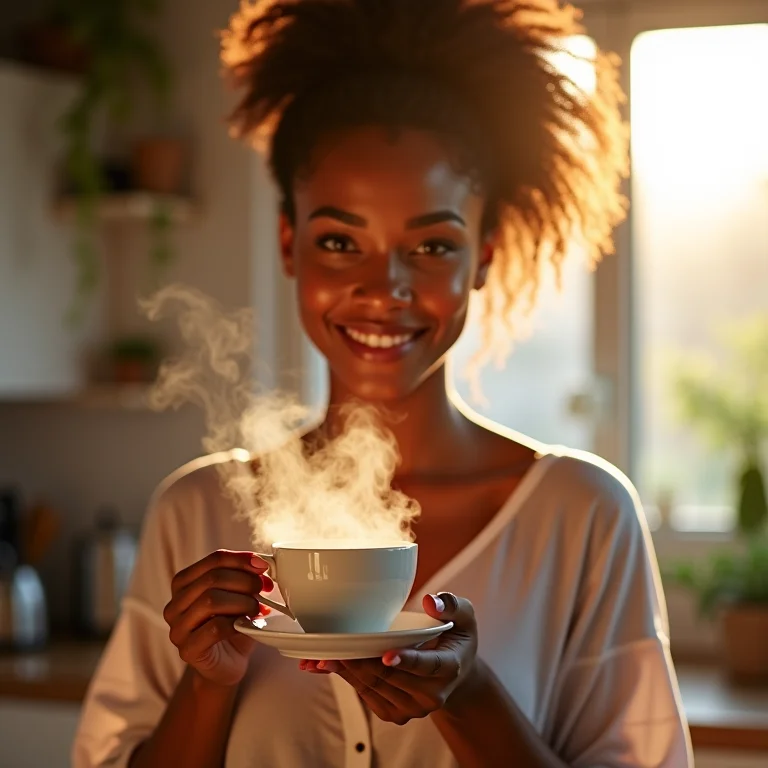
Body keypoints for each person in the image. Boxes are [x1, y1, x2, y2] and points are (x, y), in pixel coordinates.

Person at [73, 1, 693, 766]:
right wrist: (208, 686)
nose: (384, 287)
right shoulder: (196, 511)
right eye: (341, 241)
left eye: (432, 244)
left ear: (485, 255)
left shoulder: (584, 516)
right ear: (289, 243)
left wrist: (470, 697)